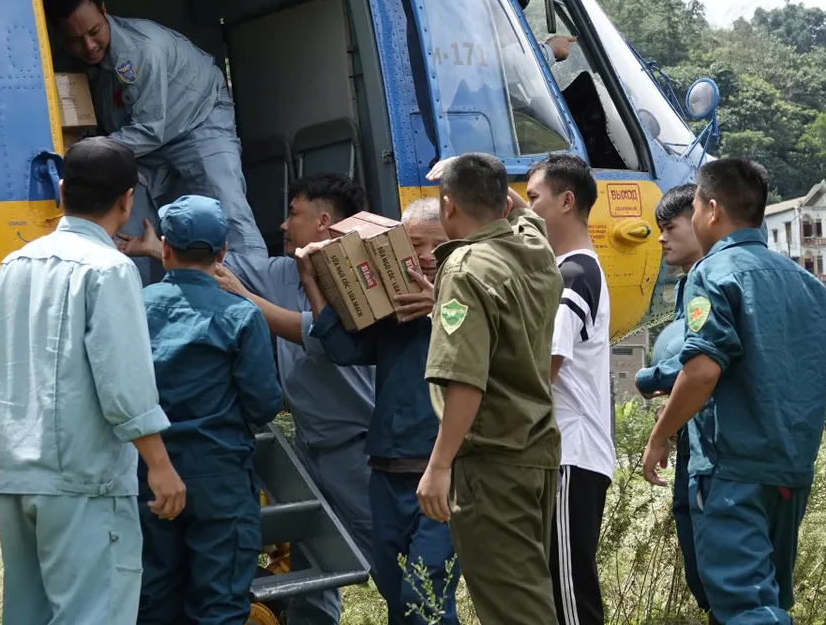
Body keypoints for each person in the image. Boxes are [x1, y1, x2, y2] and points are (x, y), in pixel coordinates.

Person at [119, 173, 376, 625]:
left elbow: (321, 336)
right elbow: (214, 268)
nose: (282, 224)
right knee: (304, 565)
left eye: (293, 213)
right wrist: (154, 250)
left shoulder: (363, 279)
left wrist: (243, 299)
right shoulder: (278, 272)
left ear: (323, 220)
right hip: (305, 449)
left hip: (358, 449)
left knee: (390, 561)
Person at [0, 138, 186, 625]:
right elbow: (122, 379)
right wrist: (160, 465)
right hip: (86, 483)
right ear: (127, 201)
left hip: (17, 479)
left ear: (62, 190)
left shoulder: (12, 266)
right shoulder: (110, 270)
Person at [639, 157, 826, 625]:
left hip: (733, 468)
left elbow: (704, 370)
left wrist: (660, 434)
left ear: (709, 210)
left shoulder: (713, 272)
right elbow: (824, 387)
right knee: (765, 597)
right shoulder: (811, 287)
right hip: (790, 469)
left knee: (746, 607)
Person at [416, 153, 563, 625]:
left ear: (447, 206)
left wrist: (439, 466)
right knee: (528, 593)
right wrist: (483, 176)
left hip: (491, 464)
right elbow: (525, 215)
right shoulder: (534, 250)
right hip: (536, 455)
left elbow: (464, 378)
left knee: (514, 612)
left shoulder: (464, 271)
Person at [302, 197, 460, 625]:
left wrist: (442, 305)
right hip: (388, 468)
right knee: (394, 591)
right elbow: (342, 349)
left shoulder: (473, 303)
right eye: (415, 246)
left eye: (438, 245)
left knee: (424, 595)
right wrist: (313, 281)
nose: (426, 258)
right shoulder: (395, 310)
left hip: (444, 470)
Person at [136, 195, 283, 625]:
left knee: (154, 595)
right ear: (221, 254)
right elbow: (263, 402)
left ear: (164, 249)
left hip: (150, 470)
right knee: (220, 603)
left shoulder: (134, 307)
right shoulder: (240, 314)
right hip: (219, 474)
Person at [43, 0, 266, 260]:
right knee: (119, 223)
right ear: (60, 37)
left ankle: (258, 292)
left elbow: (149, 132)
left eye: (94, 31)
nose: (88, 46)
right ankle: (139, 297)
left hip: (198, 118)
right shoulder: (64, 61)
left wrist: (86, 154)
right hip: (138, 140)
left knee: (229, 212)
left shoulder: (141, 51)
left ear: (103, 10)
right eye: (75, 40)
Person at [524, 153, 614, 625]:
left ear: (565, 201)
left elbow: (548, 363)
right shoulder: (570, 270)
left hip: (569, 453)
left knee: (570, 598)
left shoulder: (574, 273)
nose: (526, 205)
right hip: (569, 455)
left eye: (533, 196)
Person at [633, 183, 712, 622]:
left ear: (705, 220)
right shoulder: (687, 288)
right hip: (692, 439)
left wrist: (649, 378)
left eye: (670, 227)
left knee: (727, 581)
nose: (661, 238)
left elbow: (698, 358)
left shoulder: (713, 283)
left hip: (718, 450)